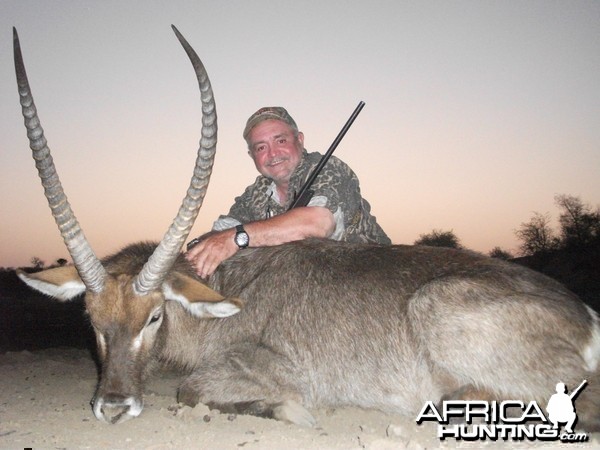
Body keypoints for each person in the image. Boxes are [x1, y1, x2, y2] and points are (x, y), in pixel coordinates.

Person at [186, 106, 390, 278]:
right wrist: (203, 246)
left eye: (280, 141)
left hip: (371, 278)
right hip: (306, 285)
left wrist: (237, 238)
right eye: (261, 148)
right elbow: (224, 230)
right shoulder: (257, 191)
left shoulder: (329, 168)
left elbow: (317, 224)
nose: (273, 154)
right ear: (251, 155)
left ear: (300, 140)